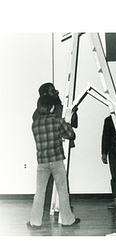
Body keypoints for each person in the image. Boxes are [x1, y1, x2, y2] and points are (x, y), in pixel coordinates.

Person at [27, 95, 80, 228]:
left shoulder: (35, 124)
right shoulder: (57, 120)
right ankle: (68, 220)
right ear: (52, 108)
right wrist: (66, 122)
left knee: (39, 192)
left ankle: (35, 221)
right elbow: (71, 135)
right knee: (62, 190)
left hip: (42, 162)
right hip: (56, 161)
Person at [32, 82, 78, 212]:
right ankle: (53, 207)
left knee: (55, 183)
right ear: (45, 94)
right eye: (53, 91)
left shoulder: (58, 107)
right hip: (56, 151)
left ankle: (58, 208)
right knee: (58, 182)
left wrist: (72, 112)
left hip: (52, 152)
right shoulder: (40, 113)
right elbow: (69, 131)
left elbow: (74, 123)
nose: (56, 92)